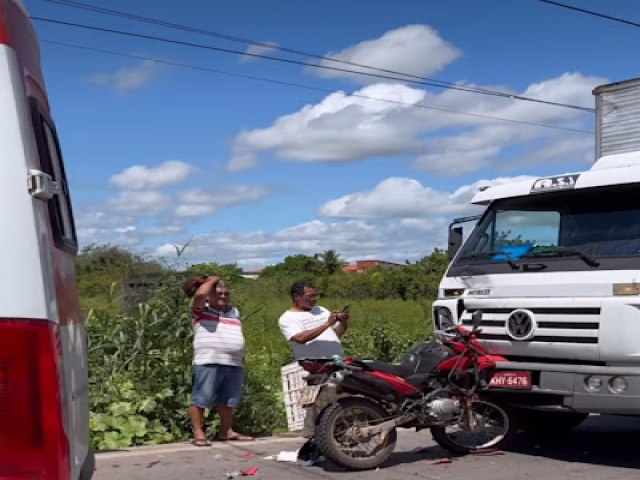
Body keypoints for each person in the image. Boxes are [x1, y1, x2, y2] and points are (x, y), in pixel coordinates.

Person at [183, 275, 253, 446]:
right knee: (201, 398)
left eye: (225, 293)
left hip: (233, 361)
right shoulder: (202, 309)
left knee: (229, 400)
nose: (223, 296)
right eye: (218, 293)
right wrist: (212, 280)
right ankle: (199, 433)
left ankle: (226, 431)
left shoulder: (233, 311)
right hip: (209, 360)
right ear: (209, 295)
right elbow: (199, 296)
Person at [278, 281, 350, 438]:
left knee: (342, 396)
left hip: (335, 360)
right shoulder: (287, 318)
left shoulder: (321, 310)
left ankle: (339, 431)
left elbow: (335, 334)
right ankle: (312, 433)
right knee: (318, 398)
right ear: (297, 297)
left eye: (315, 296)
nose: (314, 299)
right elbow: (301, 338)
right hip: (314, 363)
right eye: (310, 296)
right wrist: (327, 323)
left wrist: (343, 321)